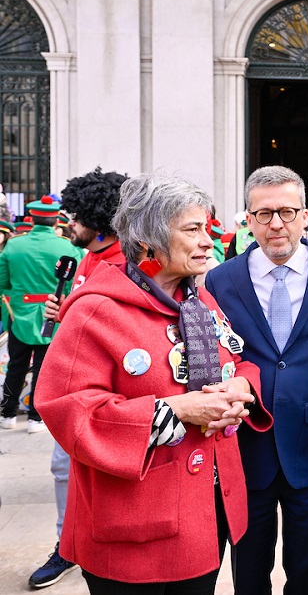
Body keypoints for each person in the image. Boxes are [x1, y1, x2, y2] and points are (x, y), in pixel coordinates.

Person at [33, 172, 271, 593]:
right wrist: (176, 410)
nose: (207, 241)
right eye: (193, 230)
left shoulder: (199, 300)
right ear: (148, 241)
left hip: (204, 516)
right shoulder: (96, 311)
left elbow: (236, 360)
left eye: (208, 228)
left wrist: (242, 389)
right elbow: (66, 407)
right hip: (133, 528)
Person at [205, 166, 308, 595]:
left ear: (305, 216)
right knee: (249, 571)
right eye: (264, 213)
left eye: (287, 212)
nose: (276, 224)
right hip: (248, 443)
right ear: (248, 220)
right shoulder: (222, 278)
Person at [28, 167, 128, 589]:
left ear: (98, 222)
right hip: (73, 383)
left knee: (70, 467)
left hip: (102, 393)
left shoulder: (125, 263)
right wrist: (63, 308)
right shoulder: (88, 256)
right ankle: (66, 543)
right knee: (61, 468)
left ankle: (74, 544)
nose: (68, 223)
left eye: (75, 216)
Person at [0, 196, 83, 434]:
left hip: (20, 314)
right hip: (53, 314)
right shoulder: (67, 247)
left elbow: (2, 282)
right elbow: (73, 286)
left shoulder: (14, 245)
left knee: (15, 365)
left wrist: (17, 299)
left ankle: (8, 414)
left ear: (33, 217)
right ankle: (37, 417)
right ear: (55, 218)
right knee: (44, 368)